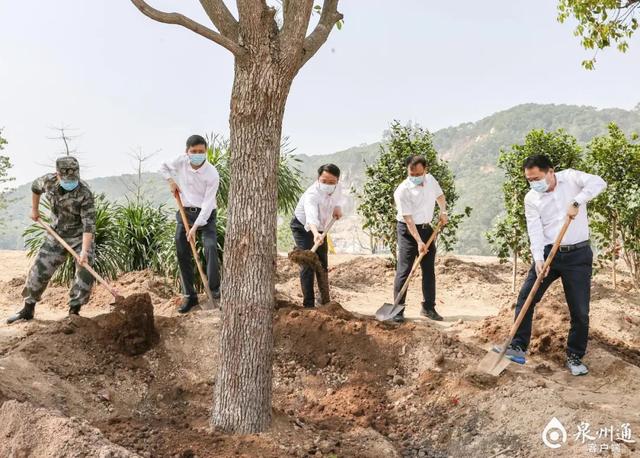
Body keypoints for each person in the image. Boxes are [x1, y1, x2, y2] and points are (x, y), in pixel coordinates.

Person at [498, 154, 606, 376]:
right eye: (529, 179)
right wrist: (538, 259)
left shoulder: (571, 178)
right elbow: (534, 230)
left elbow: (599, 182)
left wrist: (577, 201)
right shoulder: (531, 198)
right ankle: (518, 346)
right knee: (527, 297)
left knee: (580, 310)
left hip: (578, 255)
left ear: (551, 171)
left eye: (537, 178)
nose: (533, 183)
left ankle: (575, 356)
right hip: (549, 254)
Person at [7, 157, 96, 324]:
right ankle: (27, 309)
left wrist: (84, 251)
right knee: (39, 269)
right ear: (58, 174)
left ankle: (74, 312)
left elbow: (88, 226)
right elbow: (35, 187)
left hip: (79, 237)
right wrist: (34, 210)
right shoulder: (48, 181)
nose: (70, 183)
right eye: (66, 179)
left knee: (85, 271)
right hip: (56, 234)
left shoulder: (85, 193)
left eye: (73, 179)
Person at [160, 134, 221, 313]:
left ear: (206, 151)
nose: (197, 154)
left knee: (210, 247)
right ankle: (190, 296)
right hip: (185, 212)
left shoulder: (212, 173)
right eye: (193, 151)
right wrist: (171, 181)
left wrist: (195, 228)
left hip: (206, 214)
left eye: (201, 151)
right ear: (187, 152)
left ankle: (215, 290)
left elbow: (208, 204)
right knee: (182, 250)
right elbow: (162, 166)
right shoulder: (181, 161)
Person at [392, 155, 448, 323]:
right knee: (404, 270)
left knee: (429, 270)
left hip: (426, 228)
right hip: (407, 231)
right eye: (412, 174)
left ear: (425, 170)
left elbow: (440, 197)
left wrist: (443, 211)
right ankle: (397, 309)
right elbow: (408, 219)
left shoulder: (430, 180)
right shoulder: (402, 190)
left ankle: (428, 307)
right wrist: (418, 242)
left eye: (418, 174)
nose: (415, 177)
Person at [291, 164, 344, 308]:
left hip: (322, 228)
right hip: (303, 227)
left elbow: (338, 198)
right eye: (324, 181)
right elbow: (311, 217)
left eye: (332, 182)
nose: (327, 185)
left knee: (322, 262)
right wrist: (315, 234)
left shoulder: (337, 187)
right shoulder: (312, 194)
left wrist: (337, 207)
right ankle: (308, 304)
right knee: (308, 263)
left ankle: (324, 301)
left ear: (337, 181)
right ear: (318, 178)